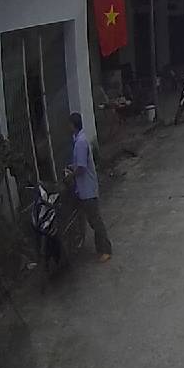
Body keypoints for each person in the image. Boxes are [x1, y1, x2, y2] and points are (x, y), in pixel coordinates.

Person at [66, 112, 112, 262]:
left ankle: (105, 249)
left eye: (69, 124)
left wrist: (71, 175)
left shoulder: (80, 142)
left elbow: (81, 167)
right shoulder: (79, 139)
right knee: (91, 219)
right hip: (85, 188)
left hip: (87, 189)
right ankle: (99, 247)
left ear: (73, 125)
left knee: (95, 220)